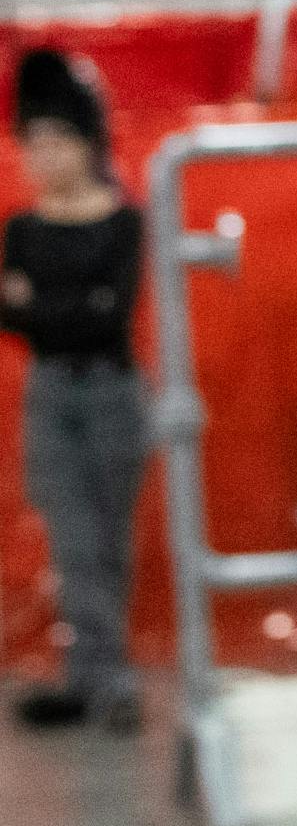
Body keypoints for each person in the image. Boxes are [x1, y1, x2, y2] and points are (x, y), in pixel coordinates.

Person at [4, 48, 146, 733]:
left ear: (86, 144)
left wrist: (44, 305)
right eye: (32, 143)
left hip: (113, 394)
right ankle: (100, 678)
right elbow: (25, 319)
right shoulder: (23, 230)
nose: (42, 156)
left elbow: (105, 315)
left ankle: (97, 674)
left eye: (55, 140)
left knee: (109, 541)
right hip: (52, 396)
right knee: (75, 540)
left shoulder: (122, 223)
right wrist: (68, 307)